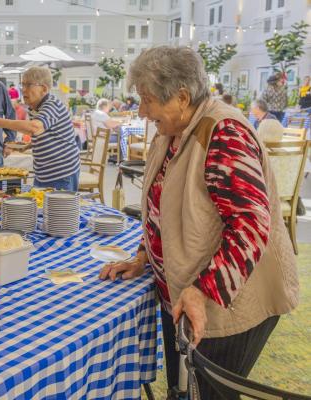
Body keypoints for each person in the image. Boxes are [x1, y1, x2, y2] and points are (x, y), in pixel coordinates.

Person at [99, 46, 298, 399]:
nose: (142, 112)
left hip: (228, 302)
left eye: (147, 100)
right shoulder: (173, 130)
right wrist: (145, 255)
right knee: (184, 390)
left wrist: (204, 289)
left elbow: (250, 224)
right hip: (185, 293)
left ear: (181, 97)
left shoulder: (223, 133)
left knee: (206, 393)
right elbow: (164, 207)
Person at [0, 66, 80, 191]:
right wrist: (28, 145)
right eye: (22, 85)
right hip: (43, 173)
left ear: (44, 89)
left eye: (28, 85)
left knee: (58, 210)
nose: (23, 90)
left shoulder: (52, 104)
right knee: (40, 208)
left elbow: (34, 127)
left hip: (62, 174)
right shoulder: (35, 107)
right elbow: (50, 135)